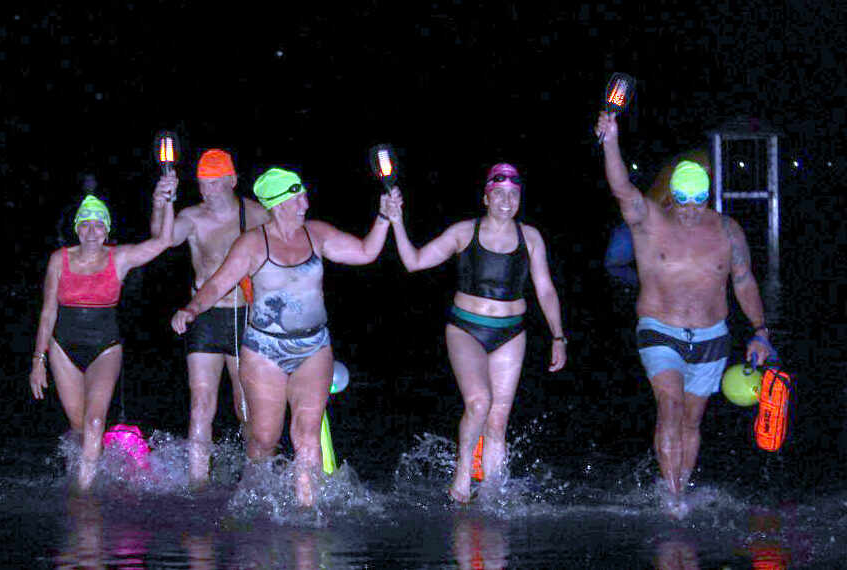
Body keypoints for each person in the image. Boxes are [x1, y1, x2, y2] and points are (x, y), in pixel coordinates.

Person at [171, 167, 393, 506]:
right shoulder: (253, 243)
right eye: (297, 197)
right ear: (277, 203)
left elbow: (365, 252)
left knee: (306, 435)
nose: (305, 203)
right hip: (264, 350)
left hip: (314, 347)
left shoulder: (316, 234)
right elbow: (217, 283)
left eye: (303, 195)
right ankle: (255, 500)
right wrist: (192, 309)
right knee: (263, 438)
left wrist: (383, 217)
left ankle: (307, 513)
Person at [595, 111, 773, 518]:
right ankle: (672, 497)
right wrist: (610, 141)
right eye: (684, 199)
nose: (692, 208)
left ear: (708, 196)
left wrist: (761, 332)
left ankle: (680, 491)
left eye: (699, 199)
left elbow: (744, 282)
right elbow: (622, 187)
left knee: (692, 420)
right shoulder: (648, 221)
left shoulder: (728, 231)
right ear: (672, 195)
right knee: (670, 405)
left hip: (713, 337)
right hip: (660, 330)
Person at [383, 163, 567, 504]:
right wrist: (396, 222)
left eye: (514, 194)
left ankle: (494, 495)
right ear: (486, 197)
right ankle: (463, 474)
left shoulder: (532, 237)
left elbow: (545, 290)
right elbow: (414, 261)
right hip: (466, 329)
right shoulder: (464, 232)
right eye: (499, 193)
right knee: (479, 402)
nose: (506, 200)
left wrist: (558, 336)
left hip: (511, 333)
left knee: (498, 420)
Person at [30, 188, 175, 490]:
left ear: (107, 229)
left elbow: (163, 241)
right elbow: (47, 313)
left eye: (99, 224)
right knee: (80, 429)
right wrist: (38, 361)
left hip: (105, 348)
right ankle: (89, 472)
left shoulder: (119, 257)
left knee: (96, 423)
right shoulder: (59, 259)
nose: (92, 230)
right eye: (85, 223)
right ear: (76, 229)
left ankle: (84, 499)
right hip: (62, 348)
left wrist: (166, 201)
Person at [150, 149, 270, 488]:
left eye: (216, 184)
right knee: (201, 403)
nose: (208, 191)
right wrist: (161, 203)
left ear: (232, 180)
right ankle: (197, 483)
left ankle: (255, 481)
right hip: (203, 316)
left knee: (244, 403)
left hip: (246, 316)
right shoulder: (193, 216)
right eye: (203, 184)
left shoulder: (257, 214)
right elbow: (164, 238)